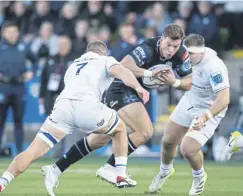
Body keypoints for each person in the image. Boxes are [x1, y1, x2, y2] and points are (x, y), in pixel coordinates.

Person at [41, 24, 193, 191]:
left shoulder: (182, 54)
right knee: (145, 131)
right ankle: (111, 168)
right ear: (162, 39)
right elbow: (124, 65)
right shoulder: (148, 48)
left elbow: (190, 82)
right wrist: (149, 74)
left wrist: (175, 82)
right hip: (121, 87)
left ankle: (55, 169)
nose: (171, 50)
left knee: (99, 138)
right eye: (168, 45)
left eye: (175, 46)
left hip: (134, 91)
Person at [0, 41, 150, 194]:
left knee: (32, 152)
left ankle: (3, 180)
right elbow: (123, 72)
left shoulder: (73, 65)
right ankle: (119, 174)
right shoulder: (106, 59)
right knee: (120, 128)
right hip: (86, 105)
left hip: (62, 107)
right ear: (104, 52)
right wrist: (138, 87)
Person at [148, 34, 230, 196]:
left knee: (188, 149)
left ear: (201, 52)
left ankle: (199, 177)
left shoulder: (215, 66)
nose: (188, 56)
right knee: (168, 142)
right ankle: (165, 171)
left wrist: (205, 116)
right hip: (190, 100)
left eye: (192, 54)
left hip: (209, 108)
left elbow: (224, 99)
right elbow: (187, 80)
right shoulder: (184, 56)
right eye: (187, 52)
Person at [0, 21, 36, 155]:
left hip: (19, 87)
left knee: (18, 121)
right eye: (10, 32)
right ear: (3, 33)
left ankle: (20, 152)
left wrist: (32, 72)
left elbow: (36, 60)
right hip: (3, 87)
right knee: (1, 121)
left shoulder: (23, 47)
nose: (13, 35)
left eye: (15, 32)